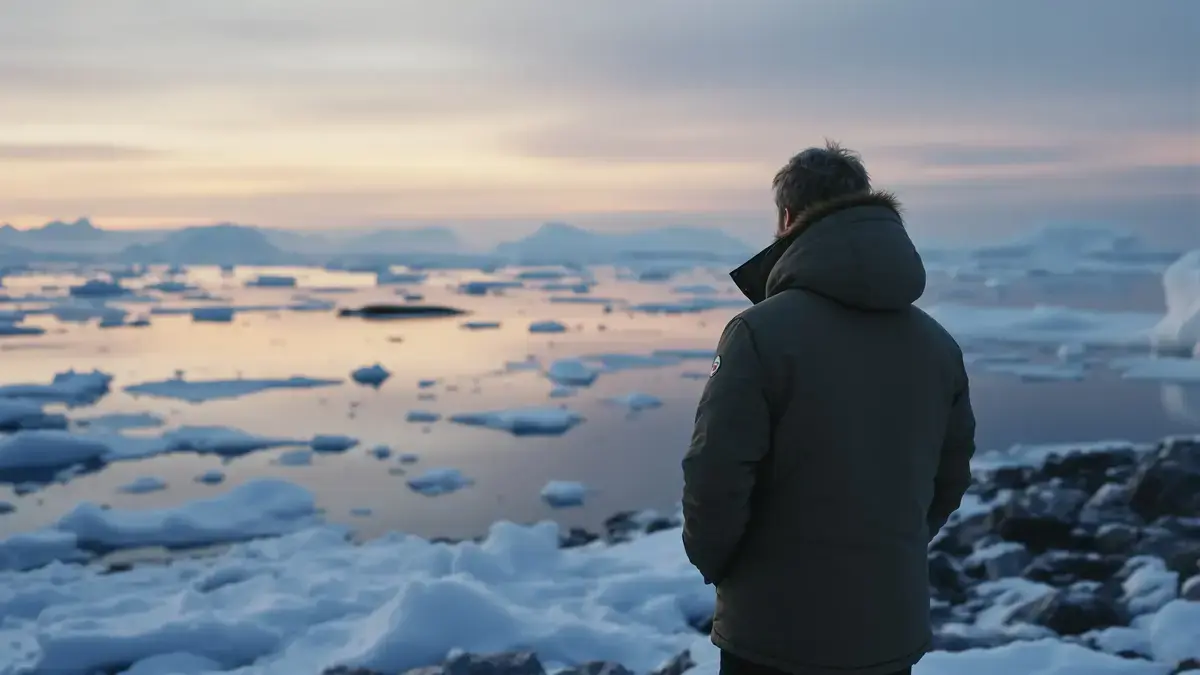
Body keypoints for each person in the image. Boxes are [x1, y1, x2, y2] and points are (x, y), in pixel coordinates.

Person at [681, 141, 977, 675]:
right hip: (888, 630)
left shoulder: (759, 333)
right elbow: (949, 478)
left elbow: (716, 474)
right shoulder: (937, 345)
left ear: (788, 219)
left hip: (773, 634)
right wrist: (888, 549)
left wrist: (727, 567)